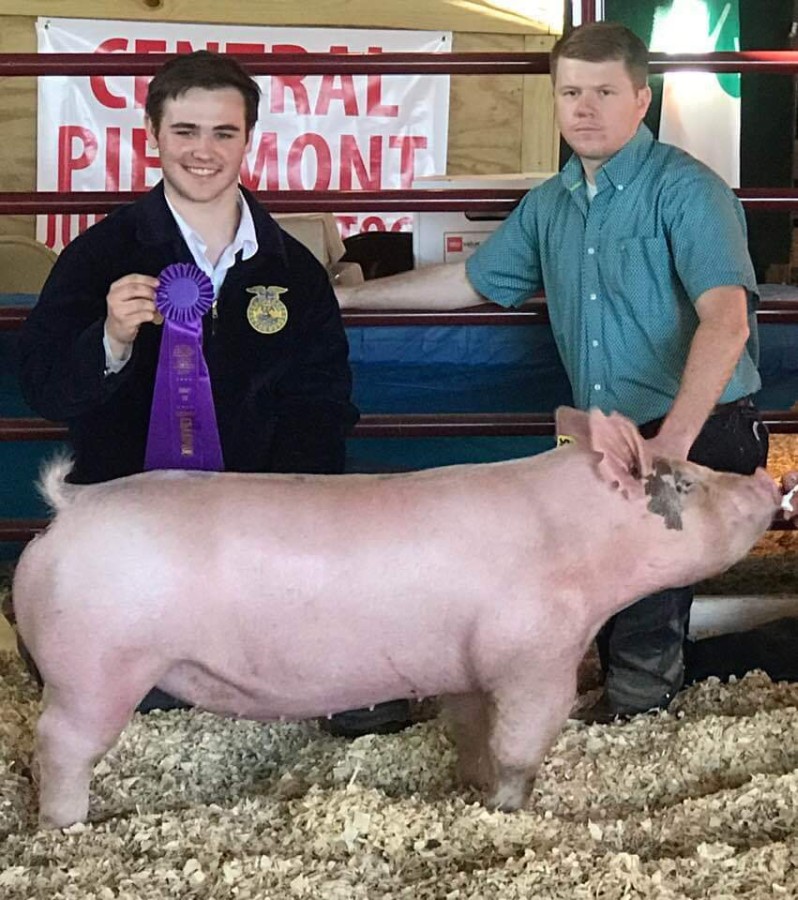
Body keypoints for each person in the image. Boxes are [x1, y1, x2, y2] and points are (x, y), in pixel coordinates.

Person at [337, 22, 769, 723]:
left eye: (603, 92)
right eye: (571, 92)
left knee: (643, 580)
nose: (585, 108)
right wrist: (351, 297)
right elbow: (472, 282)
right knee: (578, 569)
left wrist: (672, 447)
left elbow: (727, 320)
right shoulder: (552, 202)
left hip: (701, 430)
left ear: (641, 99)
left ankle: (640, 708)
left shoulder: (689, 192)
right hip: (614, 441)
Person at [16, 50, 409, 736]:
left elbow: (323, 403)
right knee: (124, 689)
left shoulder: (293, 270)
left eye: (224, 133)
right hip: (139, 532)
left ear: (249, 139)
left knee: (367, 691)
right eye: (185, 131)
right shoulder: (101, 255)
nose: (205, 151)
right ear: (153, 135)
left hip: (265, 533)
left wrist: (291, 517)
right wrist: (109, 337)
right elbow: (48, 389)